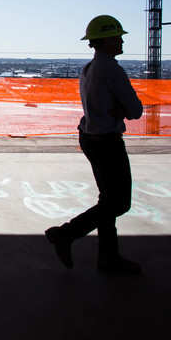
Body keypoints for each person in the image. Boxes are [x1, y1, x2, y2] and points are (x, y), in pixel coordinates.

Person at [45, 15, 143, 274]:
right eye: (117, 36)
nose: (121, 40)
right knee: (119, 203)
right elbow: (135, 110)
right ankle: (67, 234)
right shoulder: (112, 69)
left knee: (108, 199)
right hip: (107, 141)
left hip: (90, 137)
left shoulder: (88, 69)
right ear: (106, 40)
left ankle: (108, 258)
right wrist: (121, 108)